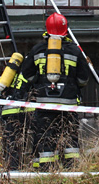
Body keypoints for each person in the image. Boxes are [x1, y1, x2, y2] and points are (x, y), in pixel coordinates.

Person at [18, 13, 90, 170]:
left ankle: (46, 172)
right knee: (70, 138)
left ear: (47, 29)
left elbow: (27, 75)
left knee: (45, 137)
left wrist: (40, 81)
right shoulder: (75, 51)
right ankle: (72, 169)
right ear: (66, 30)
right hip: (69, 105)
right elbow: (84, 80)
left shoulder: (37, 49)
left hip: (44, 104)